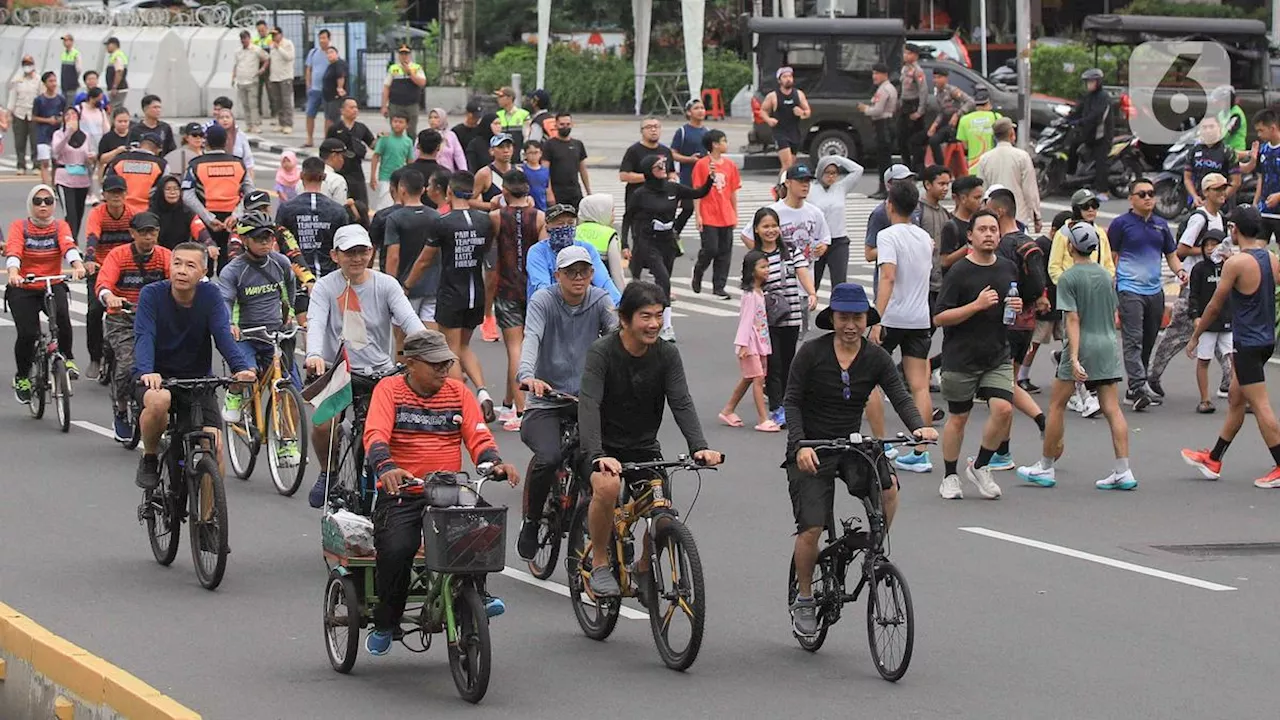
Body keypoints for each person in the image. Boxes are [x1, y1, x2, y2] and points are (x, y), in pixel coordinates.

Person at [785, 282, 936, 636]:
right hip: (811, 446)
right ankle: (805, 598)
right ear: (832, 318)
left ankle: (874, 550)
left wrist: (919, 427)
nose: (850, 324)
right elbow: (791, 401)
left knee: (889, 488)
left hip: (851, 445)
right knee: (812, 526)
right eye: (843, 317)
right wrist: (799, 446)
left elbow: (899, 395)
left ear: (867, 319)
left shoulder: (877, 357)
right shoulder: (811, 353)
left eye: (857, 317)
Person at [362, 329, 521, 655]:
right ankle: (386, 622)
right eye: (435, 364)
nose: (443, 370)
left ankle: (477, 591)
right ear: (410, 363)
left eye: (446, 363)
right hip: (403, 491)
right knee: (397, 549)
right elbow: (375, 434)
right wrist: (387, 468)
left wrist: (494, 464)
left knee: (483, 527)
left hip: (449, 488)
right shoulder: (389, 390)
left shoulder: (458, 393)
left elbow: (479, 437)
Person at [578, 281, 723, 598]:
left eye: (659, 315)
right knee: (607, 486)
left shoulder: (667, 355)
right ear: (625, 319)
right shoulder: (602, 353)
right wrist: (597, 454)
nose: (654, 323)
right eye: (645, 316)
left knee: (661, 510)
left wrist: (699, 447)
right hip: (602, 447)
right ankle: (600, 563)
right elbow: (589, 404)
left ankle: (644, 565)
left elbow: (681, 401)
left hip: (644, 448)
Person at [304, 225, 426, 507]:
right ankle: (328, 473)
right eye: (349, 253)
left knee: (394, 431)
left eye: (362, 252)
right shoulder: (325, 286)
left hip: (381, 372)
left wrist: (427, 345)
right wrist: (314, 354)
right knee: (323, 425)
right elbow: (317, 322)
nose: (357, 259)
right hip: (339, 372)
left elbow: (410, 321)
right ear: (335, 255)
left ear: (371, 252)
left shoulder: (386, 284)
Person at [515, 245, 618, 560]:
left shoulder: (600, 300)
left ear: (592, 273)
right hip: (546, 400)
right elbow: (531, 337)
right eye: (570, 272)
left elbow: (617, 337)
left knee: (609, 459)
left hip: (586, 400)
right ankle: (532, 522)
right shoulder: (544, 300)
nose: (578, 277)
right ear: (557, 275)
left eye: (584, 271)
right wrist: (528, 375)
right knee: (548, 457)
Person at [1016, 221, 1134, 490]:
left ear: (1071, 246)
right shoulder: (1105, 276)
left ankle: (1046, 466)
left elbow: (1072, 320)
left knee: (1057, 405)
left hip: (1082, 345)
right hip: (1107, 344)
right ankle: (1123, 469)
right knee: (1112, 408)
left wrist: (1074, 358)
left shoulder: (1069, 278)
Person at [133, 242, 257, 489]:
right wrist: (147, 371)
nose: (181, 270)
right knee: (159, 401)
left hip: (198, 382)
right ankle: (149, 457)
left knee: (214, 445)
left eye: (190, 265)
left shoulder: (210, 296)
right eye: (176, 263)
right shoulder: (151, 294)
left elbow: (223, 335)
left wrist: (241, 368)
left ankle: (209, 517)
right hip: (157, 378)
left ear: (203, 273)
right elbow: (144, 335)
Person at [1181, 205, 1280, 488]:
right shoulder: (1270, 258)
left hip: (1247, 343)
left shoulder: (1236, 264)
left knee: (1260, 405)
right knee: (1236, 399)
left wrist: (1196, 335)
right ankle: (1214, 458)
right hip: (1264, 340)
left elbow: (1214, 305)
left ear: (1235, 230)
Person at [933, 210, 1021, 500]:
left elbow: (1007, 314)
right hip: (961, 357)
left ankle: (981, 465)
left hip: (997, 353)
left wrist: (1015, 310)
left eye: (993, 229)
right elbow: (940, 317)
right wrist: (975, 305)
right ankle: (949, 475)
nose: (988, 234)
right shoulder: (959, 271)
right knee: (959, 418)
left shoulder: (1008, 267)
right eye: (982, 229)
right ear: (970, 236)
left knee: (1004, 410)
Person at [402, 171, 499, 421]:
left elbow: (424, 260)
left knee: (451, 350)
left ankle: (462, 405)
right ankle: (483, 392)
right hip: (475, 291)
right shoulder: (484, 221)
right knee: (464, 346)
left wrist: (407, 285)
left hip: (451, 292)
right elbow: (487, 250)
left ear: (449, 192)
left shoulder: (443, 223)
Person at [1147, 173, 1233, 399]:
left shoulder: (1221, 218)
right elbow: (1181, 250)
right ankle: (1152, 377)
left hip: (1215, 283)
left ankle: (1229, 383)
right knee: (1176, 336)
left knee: (1221, 333)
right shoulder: (1200, 219)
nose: (1222, 193)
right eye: (1217, 189)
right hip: (1195, 287)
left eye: (1224, 189)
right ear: (1206, 193)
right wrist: (1209, 250)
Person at [870, 180, 936, 474]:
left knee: (870, 379)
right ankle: (922, 451)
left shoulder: (887, 236)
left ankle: (881, 444)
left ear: (890, 205)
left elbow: (888, 277)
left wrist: (875, 318)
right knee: (919, 384)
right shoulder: (925, 238)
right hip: (920, 318)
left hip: (893, 316)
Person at [218, 212, 301, 434]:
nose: (266, 242)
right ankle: (235, 394)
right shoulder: (233, 270)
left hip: (276, 335)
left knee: (290, 389)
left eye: (269, 237)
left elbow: (290, 288)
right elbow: (225, 300)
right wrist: (229, 324)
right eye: (258, 238)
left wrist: (290, 312)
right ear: (245, 241)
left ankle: (288, 443)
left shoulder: (281, 262)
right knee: (248, 373)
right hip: (246, 336)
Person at [1109, 178, 1186, 410]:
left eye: (1151, 193)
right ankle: (1138, 385)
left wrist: (1180, 271)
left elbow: (1171, 255)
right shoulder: (1120, 224)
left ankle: (1136, 388)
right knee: (1133, 339)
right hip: (1129, 290)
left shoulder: (1161, 225)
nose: (1148, 198)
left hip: (1155, 291)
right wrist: (1113, 285)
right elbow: (1112, 256)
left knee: (1149, 339)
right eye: (1141, 194)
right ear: (1131, 198)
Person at [6, 185, 87, 402]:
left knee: (61, 317)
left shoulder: (60, 226)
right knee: (28, 334)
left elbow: (68, 247)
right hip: (24, 286)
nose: (43, 205)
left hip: (51, 283)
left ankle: (68, 358)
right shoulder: (20, 226)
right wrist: (14, 272)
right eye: (38, 201)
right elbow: (14, 250)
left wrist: (78, 265)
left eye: (48, 201)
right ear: (31, 205)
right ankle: (22, 376)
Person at [622, 153, 714, 342]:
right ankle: (667, 326)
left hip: (668, 241)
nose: (663, 168)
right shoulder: (640, 194)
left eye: (664, 165)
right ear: (649, 171)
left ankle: (653, 314)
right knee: (664, 280)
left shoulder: (673, 187)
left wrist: (710, 180)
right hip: (648, 241)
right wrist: (625, 243)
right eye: (658, 166)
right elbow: (627, 218)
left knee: (664, 280)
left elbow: (699, 193)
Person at [96, 211, 172, 440]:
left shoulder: (165, 255)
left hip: (155, 318)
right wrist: (110, 297)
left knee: (172, 363)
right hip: (123, 318)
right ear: (132, 234)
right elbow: (103, 283)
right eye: (143, 233)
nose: (149, 238)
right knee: (128, 366)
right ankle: (121, 410)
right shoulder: (118, 255)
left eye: (153, 232)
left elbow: (178, 279)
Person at [487, 170, 547, 431]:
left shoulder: (496, 217)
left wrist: (486, 300)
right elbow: (543, 255)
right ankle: (509, 402)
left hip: (506, 288)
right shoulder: (540, 217)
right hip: (532, 289)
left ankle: (521, 409)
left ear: (505, 192)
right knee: (525, 347)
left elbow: (491, 260)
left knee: (515, 348)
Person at [742, 207, 812, 429]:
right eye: (765, 226)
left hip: (791, 315)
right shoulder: (756, 256)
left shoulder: (790, 250)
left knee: (789, 361)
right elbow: (749, 284)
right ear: (756, 229)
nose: (771, 230)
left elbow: (802, 271)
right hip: (768, 321)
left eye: (774, 226)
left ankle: (788, 404)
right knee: (774, 364)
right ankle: (776, 407)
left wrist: (811, 292)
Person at [83, 175, 136, 378]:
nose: (116, 196)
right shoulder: (97, 214)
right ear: (104, 195)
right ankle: (95, 357)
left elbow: (140, 237)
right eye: (111, 193)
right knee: (95, 310)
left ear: (125, 194)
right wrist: (89, 259)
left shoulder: (132, 214)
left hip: (125, 268)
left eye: (120, 192)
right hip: (100, 267)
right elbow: (92, 237)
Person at [719, 250, 776, 432]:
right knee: (758, 378)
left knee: (749, 378)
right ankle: (763, 419)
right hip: (750, 344)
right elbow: (746, 321)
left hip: (760, 343)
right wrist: (743, 344)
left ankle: (728, 410)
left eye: (767, 266)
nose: (767, 270)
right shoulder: (750, 295)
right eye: (762, 267)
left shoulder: (759, 292)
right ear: (752, 271)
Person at [182, 124, 251, 273]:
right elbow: (250, 193)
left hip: (204, 224)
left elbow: (187, 195)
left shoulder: (196, 164)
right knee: (230, 269)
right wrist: (236, 215)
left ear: (206, 142)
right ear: (226, 142)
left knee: (201, 269)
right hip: (233, 224)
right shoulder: (239, 163)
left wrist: (208, 218)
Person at [276, 156, 350, 294]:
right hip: (330, 280)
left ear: (301, 175)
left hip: (297, 280)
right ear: (324, 176)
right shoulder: (338, 210)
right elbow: (343, 245)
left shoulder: (286, 209)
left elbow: (279, 244)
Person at [526, 203, 621, 303]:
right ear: (547, 226)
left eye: (570, 223)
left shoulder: (587, 249)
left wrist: (619, 306)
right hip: (546, 311)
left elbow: (604, 282)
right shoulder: (538, 252)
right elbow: (542, 287)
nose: (565, 227)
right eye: (560, 223)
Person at [383, 169, 439, 333]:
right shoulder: (435, 216)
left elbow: (393, 257)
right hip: (432, 285)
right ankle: (430, 359)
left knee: (403, 336)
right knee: (430, 333)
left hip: (405, 285)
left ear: (402, 189)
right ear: (423, 190)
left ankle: (401, 359)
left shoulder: (395, 218)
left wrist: (390, 287)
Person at [690, 129, 742, 299]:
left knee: (725, 252)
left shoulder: (730, 165)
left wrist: (735, 213)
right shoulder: (702, 164)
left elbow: (733, 191)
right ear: (714, 144)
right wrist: (698, 215)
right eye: (723, 140)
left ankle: (719, 286)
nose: (726, 144)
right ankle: (699, 269)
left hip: (725, 214)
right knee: (711, 248)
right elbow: (697, 190)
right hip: (709, 214)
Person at [1186, 229, 1233, 414]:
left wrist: (1229, 259)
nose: (1211, 249)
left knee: (1234, 359)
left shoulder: (1231, 266)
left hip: (1228, 320)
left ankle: (1240, 397)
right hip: (1207, 324)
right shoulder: (1199, 270)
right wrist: (1195, 317)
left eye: (1215, 244)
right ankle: (1205, 399)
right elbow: (1194, 296)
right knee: (1204, 360)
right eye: (1207, 245)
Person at [972, 118, 1042, 233]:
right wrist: (1036, 216)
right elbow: (1030, 191)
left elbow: (982, 190)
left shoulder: (985, 158)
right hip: (1018, 218)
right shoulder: (1022, 157)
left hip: (993, 219)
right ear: (1011, 134)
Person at [806, 154, 864, 293]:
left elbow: (858, 170)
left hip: (839, 242)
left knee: (839, 285)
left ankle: (837, 313)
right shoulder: (811, 190)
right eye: (827, 173)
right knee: (812, 284)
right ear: (820, 172)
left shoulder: (841, 187)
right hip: (817, 243)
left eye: (834, 173)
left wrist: (837, 158)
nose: (831, 177)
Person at [618, 117, 674, 247]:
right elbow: (624, 175)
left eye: (656, 127)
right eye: (649, 127)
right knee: (640, 241)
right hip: (639, 202)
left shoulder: (665, 151)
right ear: (642, 131)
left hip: (661, 202)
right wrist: (650, 176)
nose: (653, 130)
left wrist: (672, 181)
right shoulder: (634, 151)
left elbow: (671, 172)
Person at [1067, 68, 1115, 201]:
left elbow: (1096, 115)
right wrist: (1068, 119)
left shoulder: (1104, 97)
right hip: (1088, 133)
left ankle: (1103, 191)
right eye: (1087, 82)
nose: (1089, 84)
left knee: (1101, 161)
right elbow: (1078, 110)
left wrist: (1081, 121)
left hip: (1101, 135)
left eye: (1091, 81)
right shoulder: (1088, 97)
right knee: (1072, 145)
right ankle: (1070, 175)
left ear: (1098, 82)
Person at [51, 107, 93, 241]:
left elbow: (87, 155)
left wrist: (90, 157)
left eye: (74, 114)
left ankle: (72, 239)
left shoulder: (85, 135)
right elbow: (56, 151)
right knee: (70, 214)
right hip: (64, 177)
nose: (70, 117)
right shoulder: (59, 134)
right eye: (67, 115)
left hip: (82, 179)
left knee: (79, 213)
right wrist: (68, 133)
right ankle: (70, 243)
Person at [857, 63, 897, 199]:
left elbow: (878, 110)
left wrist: (865, 109)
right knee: (883, 159)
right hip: (885, 125)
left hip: (883, 125)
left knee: (884, 160)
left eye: (876, 73)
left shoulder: (884, 90)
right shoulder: (887, 88)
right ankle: (883, 188)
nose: (874, 76)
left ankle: (885, 189)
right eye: (873, 73)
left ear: (884, 75)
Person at [1239, 109, 1280, 244]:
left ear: (1272, 128)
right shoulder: (1263, 150)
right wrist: (1255, 204)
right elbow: (1261, 178)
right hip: (1264, 211)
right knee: (1256, 248)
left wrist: (1278, 196)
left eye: (1261, 130)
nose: (1258, 134)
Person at [760, 66, 810, 173]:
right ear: (779, 80)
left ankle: (783, 187)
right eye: (785, 77)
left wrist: (802, 113)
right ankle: (781, 188)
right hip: (780, 133)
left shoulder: (799, 94)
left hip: (795, 133)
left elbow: (808, 112)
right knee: (787, 165)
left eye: (790, 76)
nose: (788, 79)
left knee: (790, 166)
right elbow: (763, 111)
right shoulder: (773, 96)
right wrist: (769, 120)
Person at [326, 98, 376, 208]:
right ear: (342, 110)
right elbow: (327, 148)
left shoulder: (361, 128)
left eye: (356, 107)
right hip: (340, 171)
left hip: (356, 172)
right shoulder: (335, 128)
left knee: (361, 204)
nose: (355, 110)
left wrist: (381, 140)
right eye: (351, 107)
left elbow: (372, 145)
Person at [670, 98, 709, 236]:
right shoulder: (683, 131)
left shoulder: (707, 132)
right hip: (687, 176)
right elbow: (672, 153)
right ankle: (673, 232)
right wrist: (690, 159)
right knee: (687, 207)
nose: (700, 111)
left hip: (704, 176)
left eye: (702, 108)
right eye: (696, 108)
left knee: (704, 208)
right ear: (688, 112)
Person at [923, 67, 975, 167]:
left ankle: (941, 167)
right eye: (934, 78)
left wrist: (958, 114)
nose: (936, 80)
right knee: (925, 138)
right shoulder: (938, 92)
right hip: (945, 121)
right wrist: (934, 125)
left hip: (955, 123)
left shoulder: (952, 90)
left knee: (934, 140)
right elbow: (942, 112)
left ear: (946, 78)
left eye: (939, 77)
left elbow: (970, 102)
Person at [104, 132, 167, 215]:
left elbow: (107, 183)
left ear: (140, 145)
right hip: (147, 212)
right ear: (158, 149)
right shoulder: (161, 164)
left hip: (120, 209)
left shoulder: (119, 160)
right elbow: (164, 189)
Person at [575, 194, 627, 291]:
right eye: (611, 211)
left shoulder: (574, 231)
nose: (613, 216)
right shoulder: (609, 234)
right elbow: (617, 273)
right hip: (601, 292)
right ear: (602, 212)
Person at [1185, 116, 1241, 205]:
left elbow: (1236, 182)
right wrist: (1195, 196)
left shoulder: (1228, 152)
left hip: (1222, 205)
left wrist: (1221, 197)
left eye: (1211, 127)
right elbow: (1187, 178)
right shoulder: (1193, 150)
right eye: (1204, 127)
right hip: (1198, 202)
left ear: (1219, 128)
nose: (1208, 130)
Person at [543, 112, 591, 211]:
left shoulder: (578, 144)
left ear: (572, 124)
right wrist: (549, 192)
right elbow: (545, 171)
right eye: (562, 124)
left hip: (575, 192)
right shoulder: (549, 145)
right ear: (556, 125)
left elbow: (583, 170)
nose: (565, 127)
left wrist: (589, 192)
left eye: (568, 124)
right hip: (557, 193)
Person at [370, 113, 414, 211]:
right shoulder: (384, 139)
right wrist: (373, 176)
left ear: (407, 125)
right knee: (384, 203)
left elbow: (410, 160)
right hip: (385, 177)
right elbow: (376, 156)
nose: (397, 124)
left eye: (401, 122)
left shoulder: (408, 141)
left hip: (401, 178)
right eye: (395, 122)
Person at [32, 71, 67, 187]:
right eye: (50, 81)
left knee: (55, 162)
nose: (53, 84)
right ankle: (45, 185)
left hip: (56, 135)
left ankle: (54, 185)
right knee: (45, 162)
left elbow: (65, 115)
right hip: (43, 134)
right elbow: (34, 117)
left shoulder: (61, 99)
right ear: (45, 83)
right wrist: (48, 120)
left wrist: (59, 119)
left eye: (54, 81)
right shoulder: (39, 100)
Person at [381, 45, 425, 135]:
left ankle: (410, 148)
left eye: (406, 54)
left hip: (411, 105)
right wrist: (384, 106)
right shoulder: (393, 68)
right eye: (402, 54)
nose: (404, 56)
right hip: (395, 104)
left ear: (410, 55)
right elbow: (386, 87)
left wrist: (410, 73)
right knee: (395, 130)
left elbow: (422, 83)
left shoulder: (416, 68)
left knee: (411, 131)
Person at [898, 44, 928, 172]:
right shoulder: (904, 69)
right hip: (904, 105)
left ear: (915, 55)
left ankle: (917, 168)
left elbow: (923, 90)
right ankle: (906, 166)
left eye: (908, 53)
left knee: (915, 141)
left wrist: (920, 111)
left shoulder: (917, 71)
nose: (905, 55)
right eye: (905, 53)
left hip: (914, 105)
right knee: (901, 138)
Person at [7, 57, 40, 176]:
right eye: (25, 64)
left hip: (34, 114)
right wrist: (9, 114)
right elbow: (12, 98)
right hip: (19, 114)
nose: (27, 66)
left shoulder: (38, 80)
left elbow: (41, 97)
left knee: (35, 141)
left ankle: (36, 165)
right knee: (19, 142)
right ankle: (21, 165)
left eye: (29, 64)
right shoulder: (17, 80)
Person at [232, 31, 269, 133]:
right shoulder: (238, 51)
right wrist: (233, 77)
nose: (244, 40)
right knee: (245, 104)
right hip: (241, 80)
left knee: (253, 104)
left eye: (245, 38)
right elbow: (236, 64)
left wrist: (262, 69)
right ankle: (248, 124)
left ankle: (255, 124)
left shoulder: (256, 49)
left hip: (252, 80)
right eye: (242, 39)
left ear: (249, 38)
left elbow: (266, 58)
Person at [956, 89, 1001, 169]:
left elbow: (965, 146)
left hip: (974, 166)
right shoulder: (996, 117)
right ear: (988, 103)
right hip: (993, 165)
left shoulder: (964, 120)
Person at [303, 29, 333, 147]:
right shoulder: (313, 52)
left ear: (329, 39)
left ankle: (327, 140)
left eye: (324, 38)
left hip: (327, 90)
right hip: (314, 89)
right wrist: (308, 85)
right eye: (320, 38)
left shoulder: (332, 53)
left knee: (328, 116)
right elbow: (309, 69)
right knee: (310, 113)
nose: (322, 41)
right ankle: (309, 138)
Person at [300, 138, 352, 204]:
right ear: (334, 156)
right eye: (343, 157)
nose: (343, 161)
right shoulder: (337, 180)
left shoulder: (302, 178)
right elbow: (340, 208)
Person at [472, 133, 515, 211]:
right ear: (492, 151)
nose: (506, 150)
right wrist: (491, 205)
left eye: (508, 147)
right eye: (501, 147)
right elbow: (470, 200)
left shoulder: (519, 172)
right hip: (492, 219)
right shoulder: (484, 174)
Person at [266, 27, 295, 134]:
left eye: (275, 34)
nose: (274, 37)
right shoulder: (271, 46)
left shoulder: (287, 44)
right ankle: (281, 122)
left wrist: (279, 48)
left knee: (286, 101)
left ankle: (288, 123)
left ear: (281, 34)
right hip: (274, 77)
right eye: (272, 35)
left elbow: (289, 57)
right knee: (277, 102)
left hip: (285, 77)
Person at [403, 130, 443, 205]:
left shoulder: (403, 172)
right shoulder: (444, 174)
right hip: (438, 215)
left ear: (418, 145)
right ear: (438, 147)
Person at [494, 86, 529, 161]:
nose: (498, 99)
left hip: (518, 156)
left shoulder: (524, 114)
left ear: (509, 98)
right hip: (502, 156)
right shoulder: (498, 115)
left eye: (500, 96)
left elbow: (527, 136)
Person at [428, 107, 467, 173]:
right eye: (430, 117)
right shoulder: (425, 135)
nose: (432, 120)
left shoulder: (451, 136)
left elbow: (459, 155)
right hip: (430, 172)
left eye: (436, 117)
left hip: (448, 173)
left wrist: (464, 172)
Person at [320, 45, 348, 134]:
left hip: (334, 97)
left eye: (332, 52)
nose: (329, 55)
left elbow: (341, 76)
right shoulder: (331, 65)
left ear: (337, 54)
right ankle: (327, 137)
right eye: (327, 53)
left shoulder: (339, 64)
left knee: (334, 119)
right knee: (328, 118)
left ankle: (334, 137)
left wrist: (340, 88)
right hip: (327, 97)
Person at [520, 141, 550, 210]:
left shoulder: (545, 170)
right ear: (525, 154)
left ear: (541, 153)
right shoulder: (522, 170)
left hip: (542, 205)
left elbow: (547, 188)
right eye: (530, 153)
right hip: (526, 206)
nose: (533, 155)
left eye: (536, 152)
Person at [103, 36, 129, 114]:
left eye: (108, 45)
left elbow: (119, 72)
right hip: (118, 88)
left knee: (115, 110)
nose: (106, 47)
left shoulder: (117, 56)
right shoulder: (116, 55)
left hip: (118, 89)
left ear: (114, 45)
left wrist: (114, 87)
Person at [59, 33, 82, 106]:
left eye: (67, 40)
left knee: (70, 104)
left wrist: (75, 79)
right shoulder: (63, 53)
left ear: (71, 42)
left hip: (71, 84)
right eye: (64, 41)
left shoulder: (76, 53)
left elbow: (79, 69)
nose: (65, 42)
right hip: (64, 84)